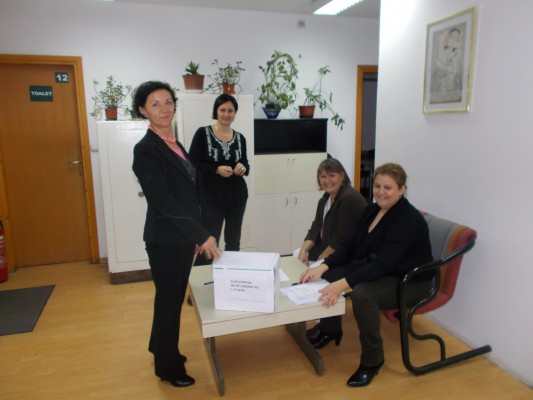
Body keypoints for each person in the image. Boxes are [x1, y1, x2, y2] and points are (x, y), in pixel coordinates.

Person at [300, 163, 433, 388]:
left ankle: (372, 361)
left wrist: (343, 284)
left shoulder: (406, 219)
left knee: (362, 294)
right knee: (332, 273)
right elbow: (350, 245)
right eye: (377, 186)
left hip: (410, 281)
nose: (381, 192)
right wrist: (322, 267)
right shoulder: (372, 210)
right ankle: (331, 329)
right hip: (386, 271)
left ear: (402, 189)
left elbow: (383, 264)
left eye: (388, 188)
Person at [131, 81, 220, 388]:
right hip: (165, 240)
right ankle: (168, 368)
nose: (164, 109)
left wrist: (198, 232)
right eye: (155, 104)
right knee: (169, 302)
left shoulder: (174, 143)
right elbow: (164, 201)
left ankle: (159, 347)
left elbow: (192, 192)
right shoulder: (145, 150)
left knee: (170, 298)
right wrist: (202, 235)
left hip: (182, 237)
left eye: (168, 102)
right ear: (143, 110)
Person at [188, 94, 249, 265]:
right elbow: (192, 163)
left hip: (237, 197)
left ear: (235, 113)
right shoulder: (203, 133)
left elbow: (245, 164)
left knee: (233, 241)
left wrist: (243, 168)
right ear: (216, 111)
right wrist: (216, 169)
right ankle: (201, 278)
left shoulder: (240, 138)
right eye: (222, 110)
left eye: (230, 110)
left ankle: (230, 276)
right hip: (211, 198)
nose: (226, 114)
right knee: (209, 241)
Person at [297, 158, 367, 265]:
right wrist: (303, 250)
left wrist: (320, 262)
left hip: (347, 258)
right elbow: (315, 228)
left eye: (332, 175)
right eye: (323, 176)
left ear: (342, 177)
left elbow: (340, 239)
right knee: (297, 256)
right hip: (325, 250)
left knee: (309, 271)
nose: (327, 180)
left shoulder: (349, 198)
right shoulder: (325, 199)